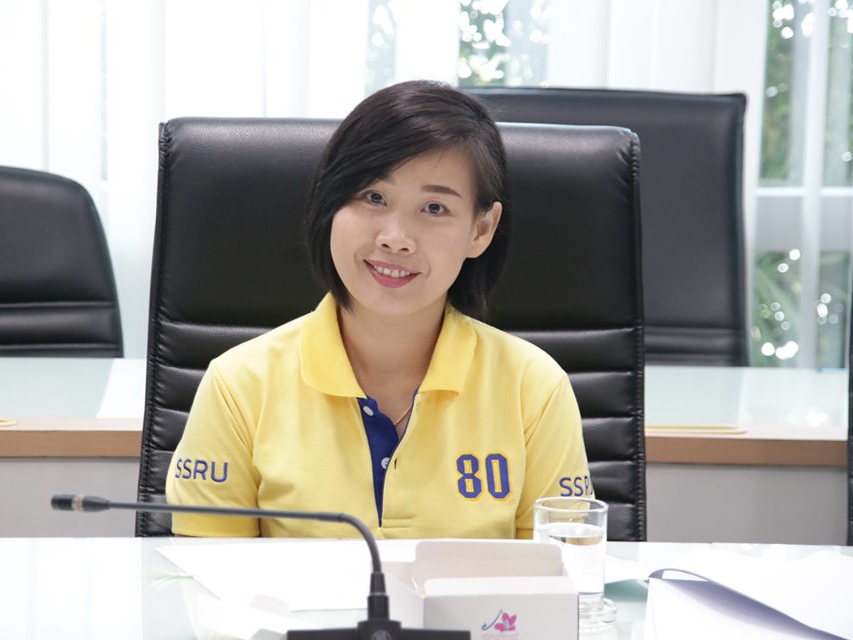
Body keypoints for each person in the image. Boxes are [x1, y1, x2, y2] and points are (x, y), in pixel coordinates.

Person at [166, 80, 592, 538]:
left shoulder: (534, 389)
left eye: (434, 208)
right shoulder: (238, 386)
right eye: (373, 197)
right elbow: (204, 575)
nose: (395, 238)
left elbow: (561, 571)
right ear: (330, 202)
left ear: (481, 230)